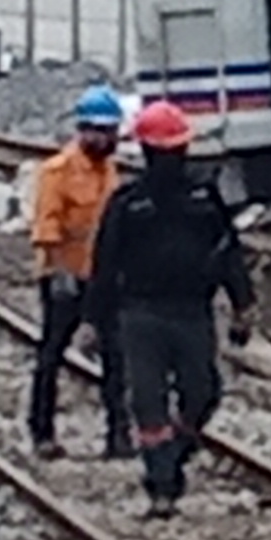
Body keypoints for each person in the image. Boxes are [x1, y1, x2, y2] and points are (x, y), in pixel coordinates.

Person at [85, 101, 253, 517]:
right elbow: (104, 264)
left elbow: (228, 253)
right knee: (148, 400)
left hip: (192, 311)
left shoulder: (203, 199)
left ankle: (174, 455)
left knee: (203, 393)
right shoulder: (127, 204)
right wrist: (94, 320)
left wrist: (242, 304)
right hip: (140, 313)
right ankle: (162, 486)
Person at [25, 86, 129, 460]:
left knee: (116, 356)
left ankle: (119, 435)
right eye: (98, 131)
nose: (105, 138)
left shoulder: (110, 172)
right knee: (52, 353)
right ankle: (41, 432)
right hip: (64, 277)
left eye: (110, 131)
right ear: (82, 129)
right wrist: (57, 272)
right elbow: (47, 224)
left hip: (102, 279)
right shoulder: (57, 172)